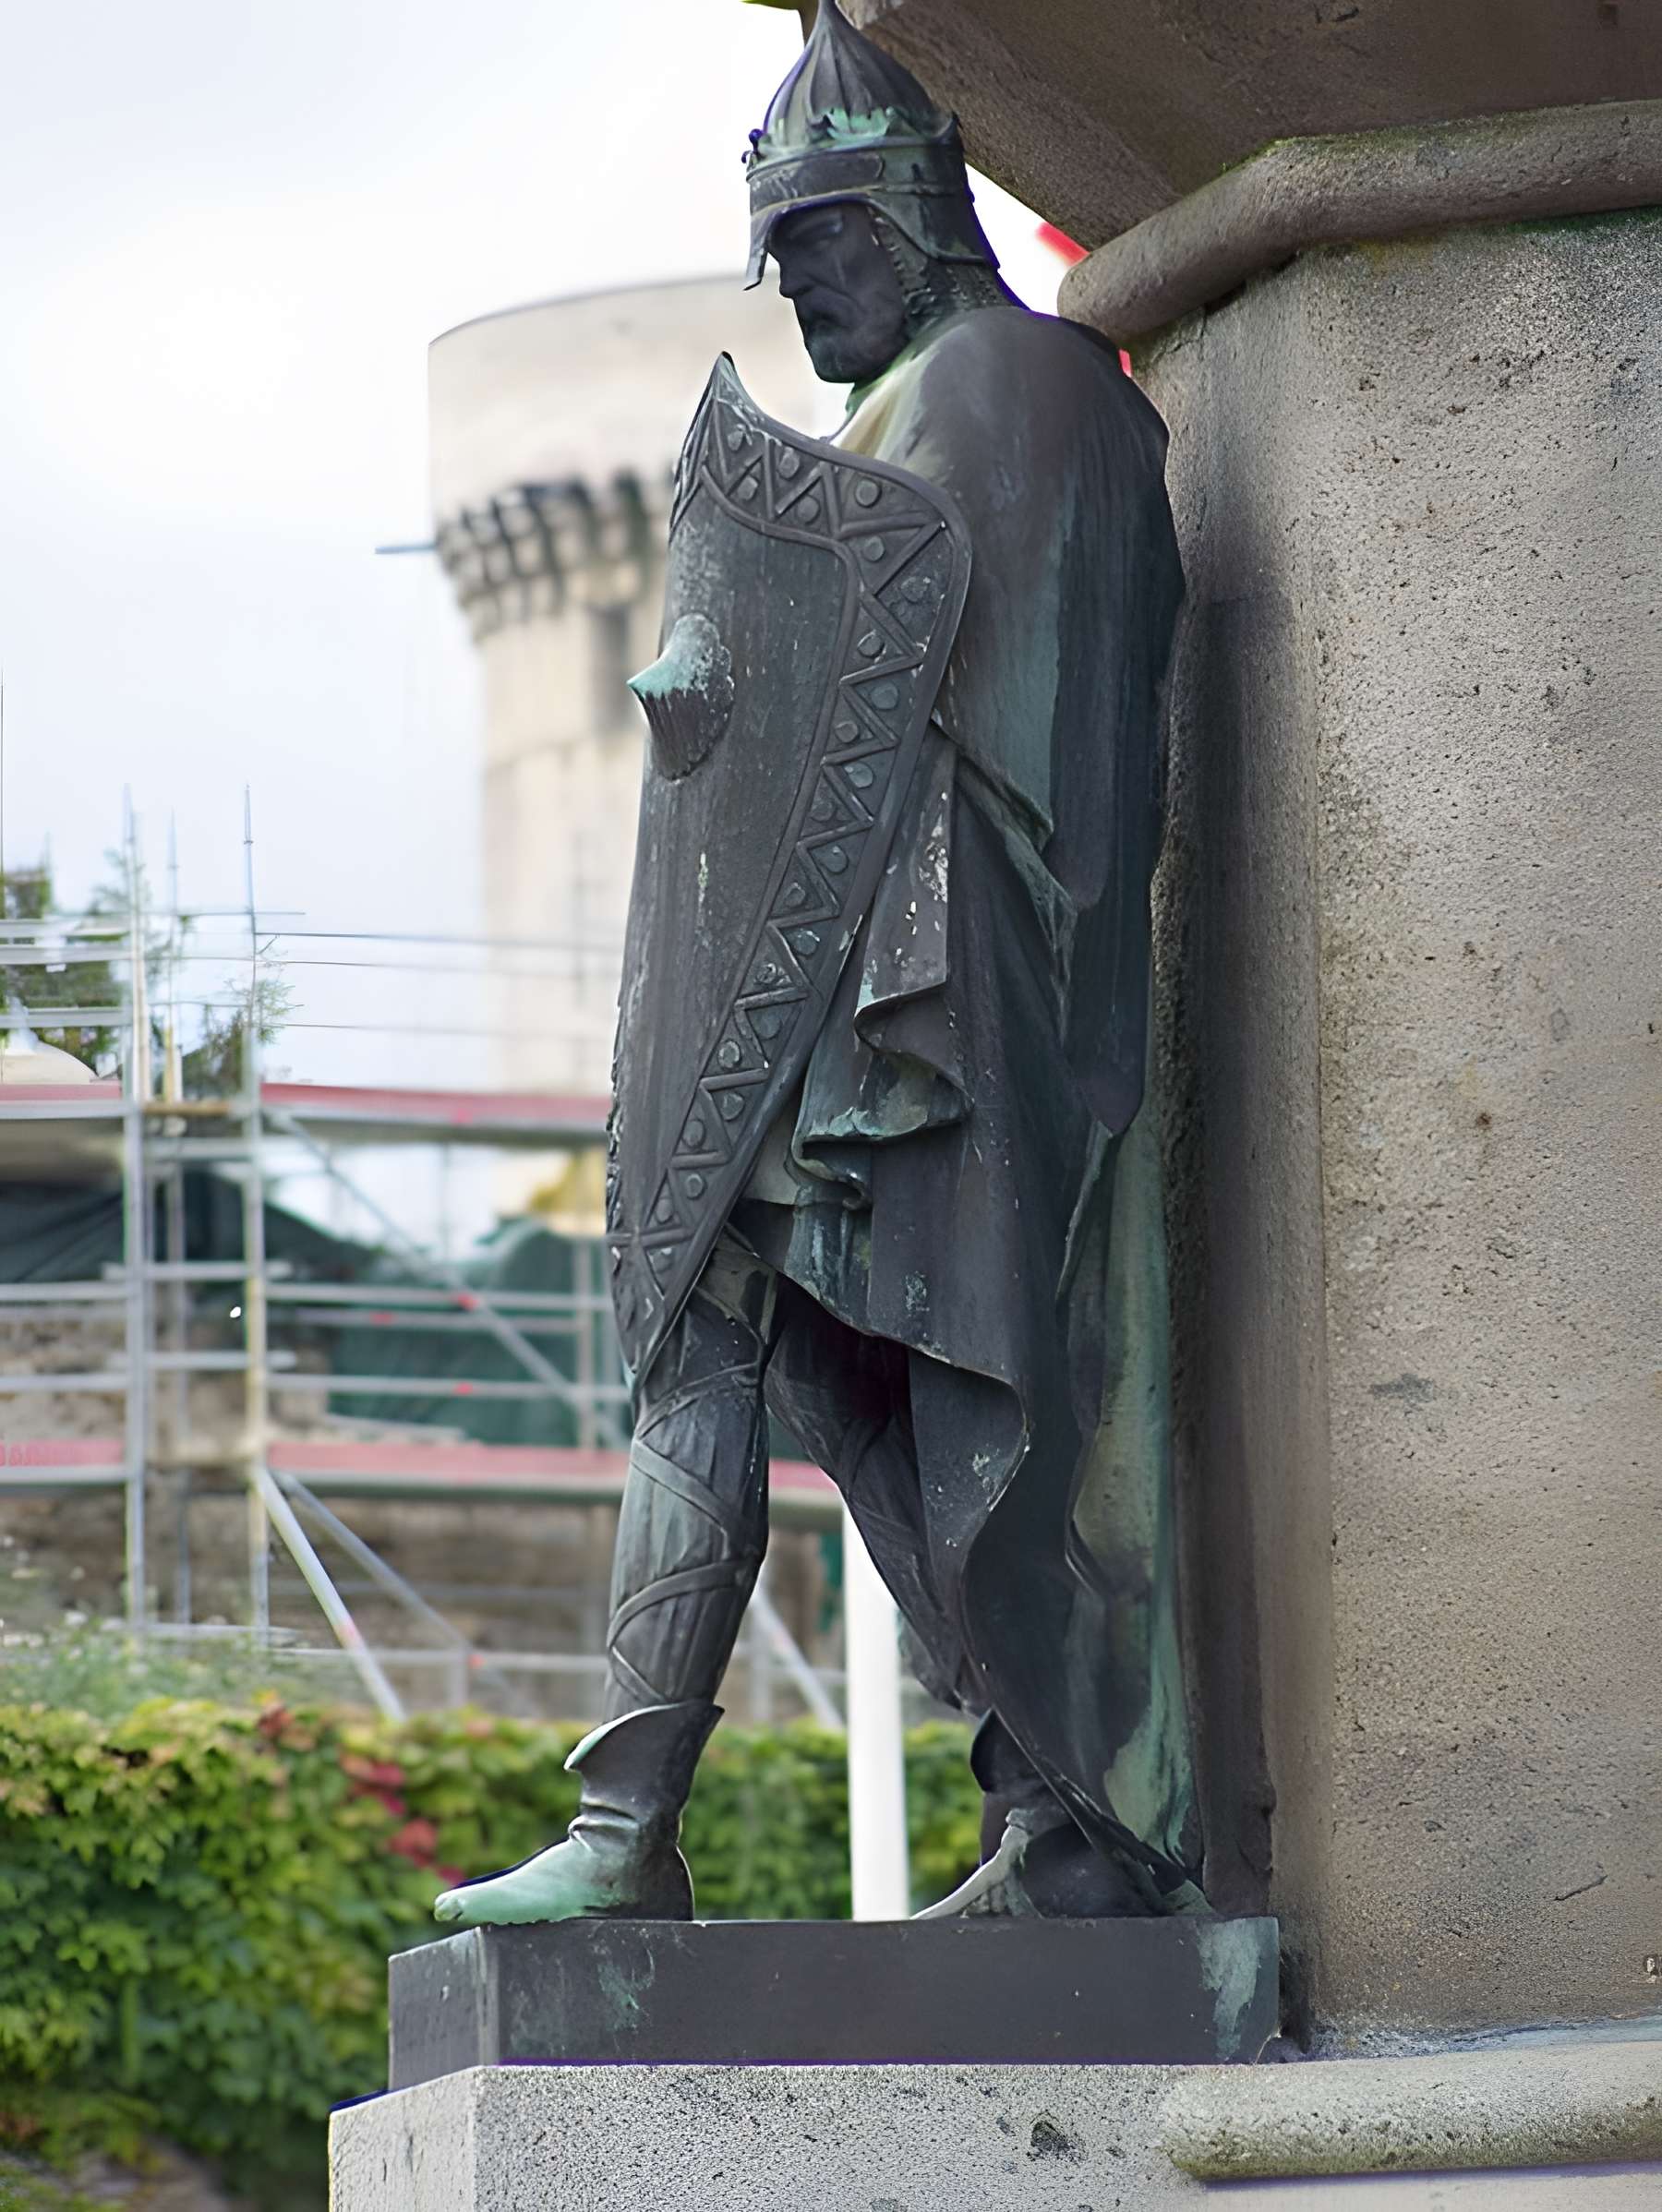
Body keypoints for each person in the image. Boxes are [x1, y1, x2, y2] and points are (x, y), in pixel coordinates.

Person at [436, 0, 1198, 1931]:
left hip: (939, 1012)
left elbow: (983, 740)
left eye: (814, 249)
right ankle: (1051, 1824)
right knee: (890, 1393)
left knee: (748, 1334)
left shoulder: (996, 395)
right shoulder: (999, 406)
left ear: (906, 216)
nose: (794, 298)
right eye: (773, 264)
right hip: (915, 998)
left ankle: (648, 1835)